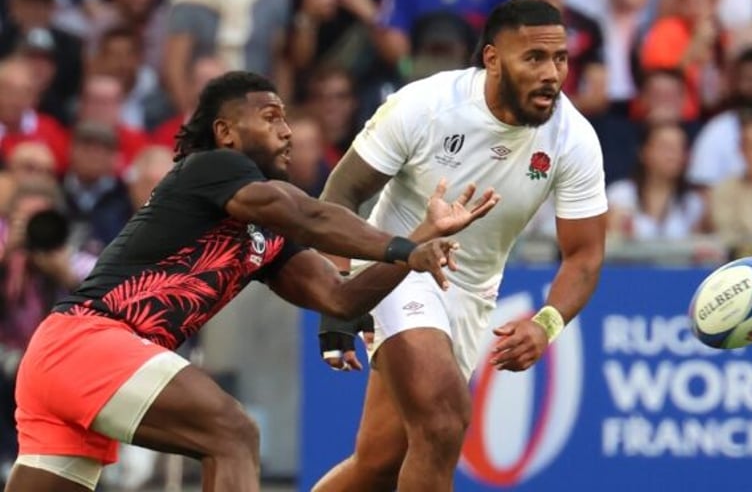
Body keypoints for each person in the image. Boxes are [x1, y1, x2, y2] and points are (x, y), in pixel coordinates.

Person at [4, 71, 499, 492]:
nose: (286, 131)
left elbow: (339, 296)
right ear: (226, 132)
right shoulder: (210, 168)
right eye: (270, 117)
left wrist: (418, 243)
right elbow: (305, 213)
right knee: (233, 432)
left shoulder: (268, 237)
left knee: (230, 434)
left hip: (59, 362)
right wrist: (403, 248)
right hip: (91, 342)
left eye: (286, 117)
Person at [313, 0, 608, 492]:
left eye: (559, 59)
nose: (551, 74)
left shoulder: (572, 138)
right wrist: (340, 298)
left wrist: (547, 323)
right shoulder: (426, 106)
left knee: (380, 463)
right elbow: (340, 194)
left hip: (471, 292)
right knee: (444, 420)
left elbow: (584, 254)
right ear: (492, 59)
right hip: (397, 262)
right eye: (533, 58)